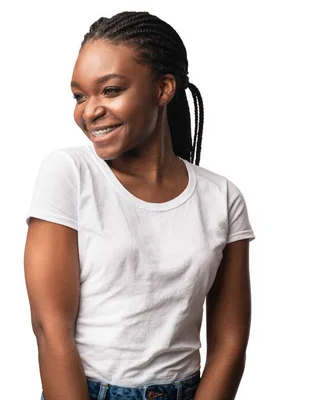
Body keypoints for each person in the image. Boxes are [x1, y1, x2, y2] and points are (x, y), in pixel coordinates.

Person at [23, 11, 255, 400]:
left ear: (164, 88)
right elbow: (50, 328)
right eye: (80, 96)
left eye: (110, 90)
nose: (89, 110)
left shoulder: (222, 197)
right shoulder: (69, 173)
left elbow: (230, 343)